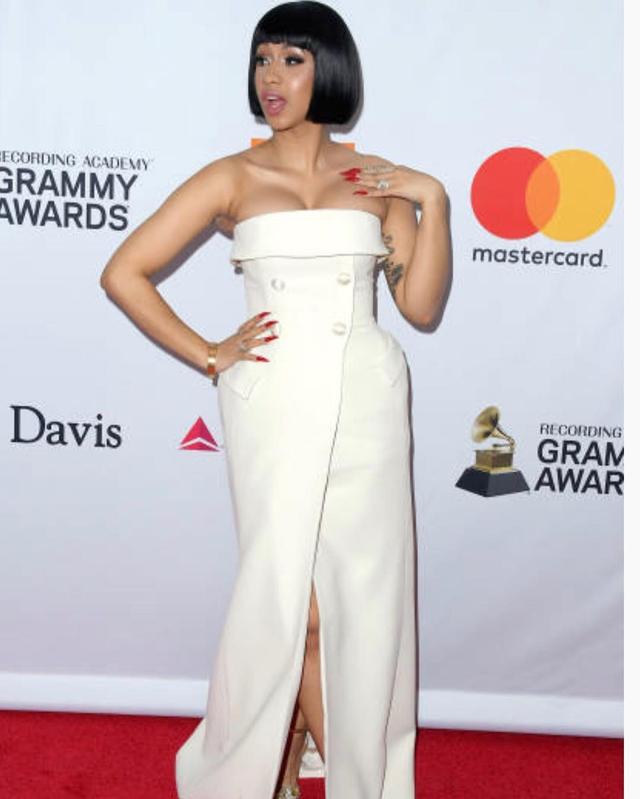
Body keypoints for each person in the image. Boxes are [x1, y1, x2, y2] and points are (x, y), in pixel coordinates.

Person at [100, 2, 451, 797]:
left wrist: (433, 200)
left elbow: (422, 306)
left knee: (359, 601)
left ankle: (302, 763)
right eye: (263, 59)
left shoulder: (378, 180)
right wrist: (210, 353)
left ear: (330, 70)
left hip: (366, 401)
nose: (272, 77)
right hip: (273, 402)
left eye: (293, 60)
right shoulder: (234, 176)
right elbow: (125, 271)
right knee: (294, 600)